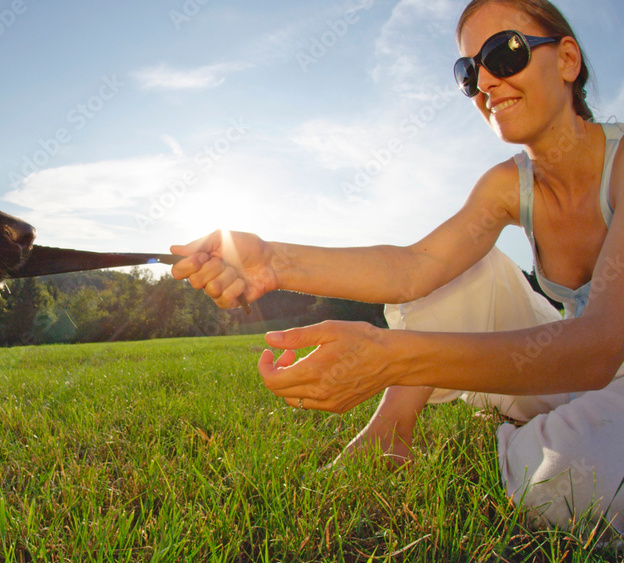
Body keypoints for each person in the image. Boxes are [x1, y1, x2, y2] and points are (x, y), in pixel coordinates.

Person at [170, 0, 624, 536]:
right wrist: (269, 260)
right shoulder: (508, 184)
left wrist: (393, 359)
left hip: (598, 364)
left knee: (568, 482)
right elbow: (415, 268)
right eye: (469, 71)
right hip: (569, 370)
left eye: (505, 53)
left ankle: (544, 437)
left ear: (567, 59)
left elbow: (598, 348)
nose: (485, 84)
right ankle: (389, 435)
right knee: (457, 272)